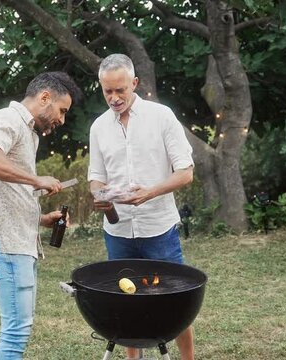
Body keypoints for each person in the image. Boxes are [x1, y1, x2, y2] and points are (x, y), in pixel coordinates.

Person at [88, 53, 196, 360]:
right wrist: (99, 194)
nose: (114, 97)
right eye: (107, 91)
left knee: (176, 301)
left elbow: (185, 172)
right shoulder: (98, 127)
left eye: (120, 89)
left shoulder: (161, 116)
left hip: (158, 227)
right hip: (118, 231)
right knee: (125, 301)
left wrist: (149, 193)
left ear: (134, 83)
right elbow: (95, 178)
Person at [0, 71, 82, 360]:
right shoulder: (6, 119)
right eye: (62, 110)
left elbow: (6, 190)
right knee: (16, 330)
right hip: (6, 245)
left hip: (19, 240)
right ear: (45, 97)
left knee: (20, 327)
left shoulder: (26, 130)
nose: (62, 119)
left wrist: (41, 219)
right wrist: (36, 180)